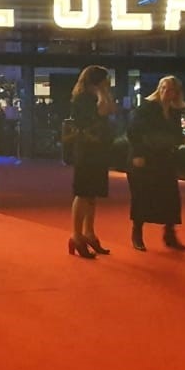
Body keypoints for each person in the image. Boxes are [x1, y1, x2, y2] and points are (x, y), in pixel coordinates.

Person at [126, 75, 185, 251]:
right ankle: (137, 233)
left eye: (170, 89)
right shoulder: (146, 108)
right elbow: (133, 131)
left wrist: (181, 139)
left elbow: (175, 133)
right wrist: (138, 154)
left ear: (176, 93)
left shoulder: (174, 111)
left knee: (171, 197)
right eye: (163, 88)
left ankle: (170, 234)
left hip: (164, 158)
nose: (166, 92)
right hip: (144, 158)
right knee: (142, 196)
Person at [66, 65, 116, 258]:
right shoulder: (82, 99)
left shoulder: (97, 95)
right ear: (97, 81)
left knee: (92, 194)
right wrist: (102, 93)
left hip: (98, 149)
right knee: (83, 192)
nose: (108, 82)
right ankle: (76, 235)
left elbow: (111, 109)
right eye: (105, 79)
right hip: (86, 149)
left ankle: (89, 233)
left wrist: (104, 94)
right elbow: (103, 112)